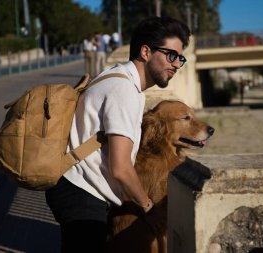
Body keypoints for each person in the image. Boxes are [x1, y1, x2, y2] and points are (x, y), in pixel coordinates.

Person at [45, 16, 190, 253]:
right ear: (145, 52)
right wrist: (148, 207)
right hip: (81, 193)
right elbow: (121, 169)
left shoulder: (114, 75)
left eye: (180, 58)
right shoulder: (125, 91)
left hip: (73, 187)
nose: (176, 64)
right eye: (171, 55)